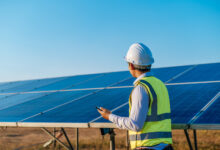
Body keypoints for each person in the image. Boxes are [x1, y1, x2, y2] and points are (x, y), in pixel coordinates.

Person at [97, 43, 173, 150]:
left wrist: (109, 116)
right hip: (165, 147)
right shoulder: (160, 85)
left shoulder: (141, 88)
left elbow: (135, 125)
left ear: (131, 65)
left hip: (147, 147)